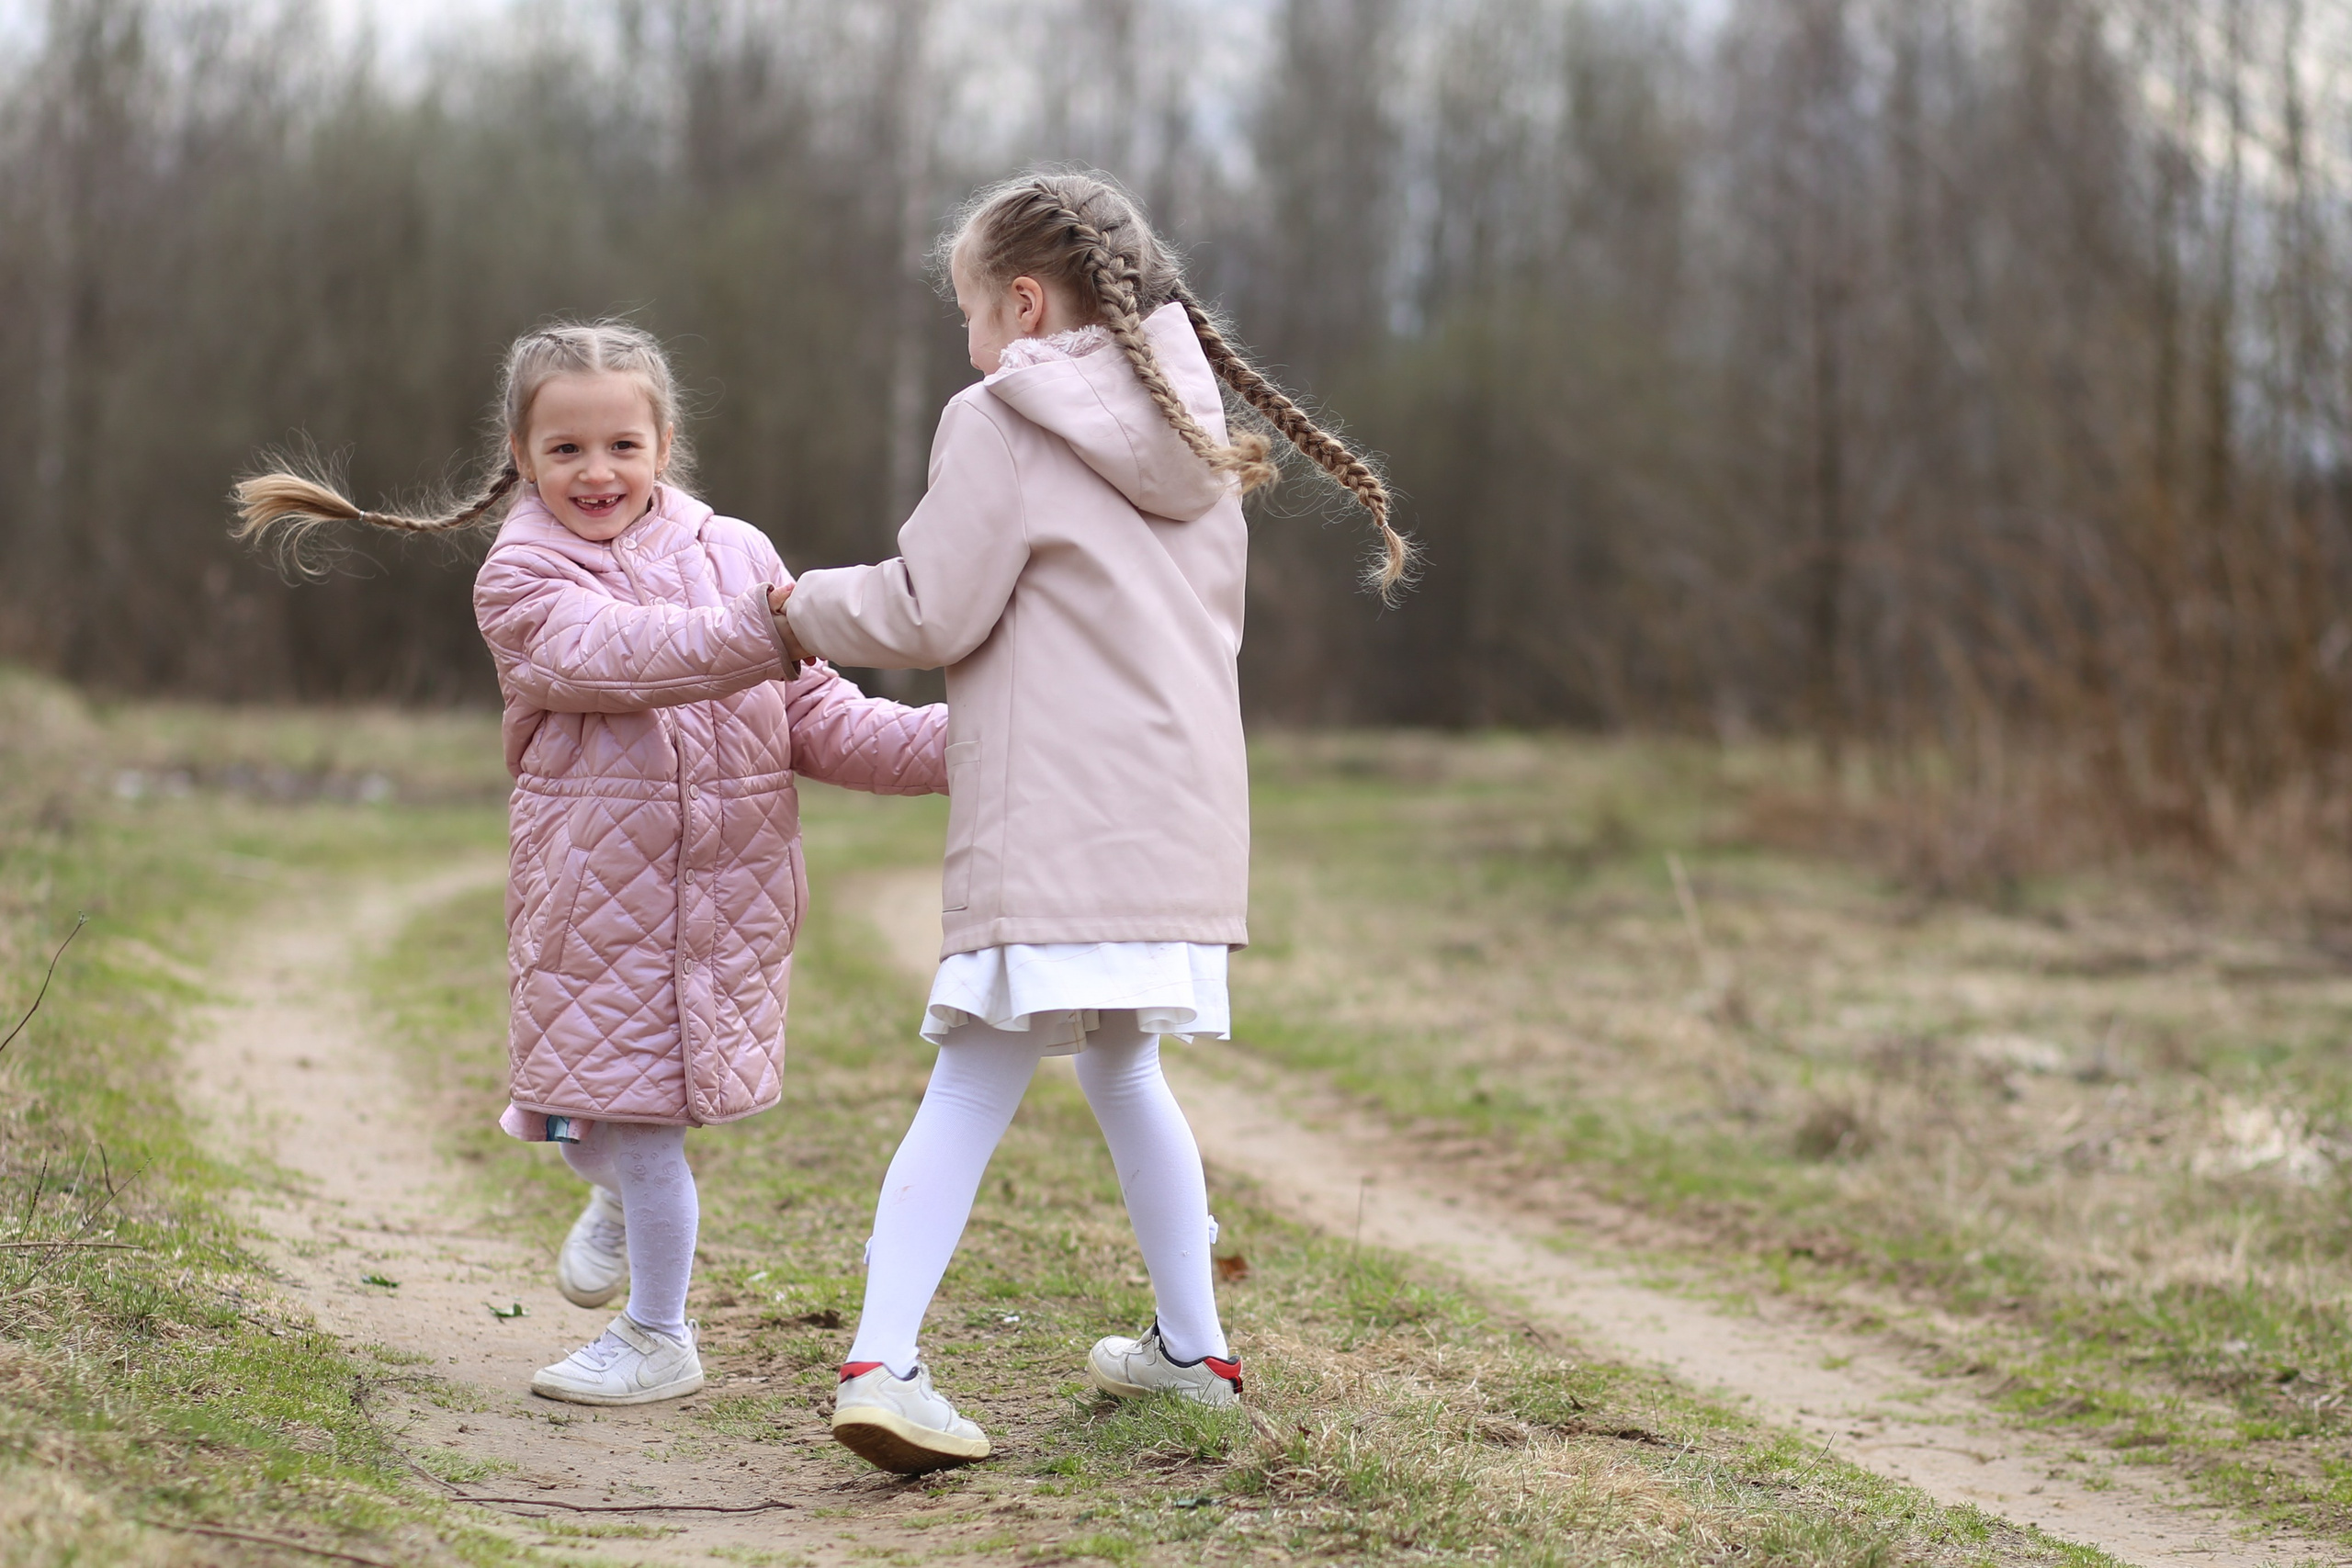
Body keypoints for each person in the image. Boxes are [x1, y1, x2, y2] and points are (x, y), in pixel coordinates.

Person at [775, 172, 1409, 1473]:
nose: (964, 341)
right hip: (1174, 812)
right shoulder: (1197, 431)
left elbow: (926, 611)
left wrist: (792, 610)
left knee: (976, 1067)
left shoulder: (1000, 414)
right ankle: (1196, 1352)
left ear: (1022, 302)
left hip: (1055, 809)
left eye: (966, 310)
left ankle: (880, 1356)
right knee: (1125, 1064)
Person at [233, 321, 949, 1406]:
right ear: (521, 456)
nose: (596, 471)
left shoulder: (740, 552)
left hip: (731, 899)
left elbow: (820, 717)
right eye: (565, 449)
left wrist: (970, 745)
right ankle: (619, 1212)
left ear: (665, 443)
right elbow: (620, 658)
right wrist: (779, 622)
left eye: (622, 443)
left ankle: (657, 1334)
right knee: (593, 1123)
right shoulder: (523, 576)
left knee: (639, 1128)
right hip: (600, 908)